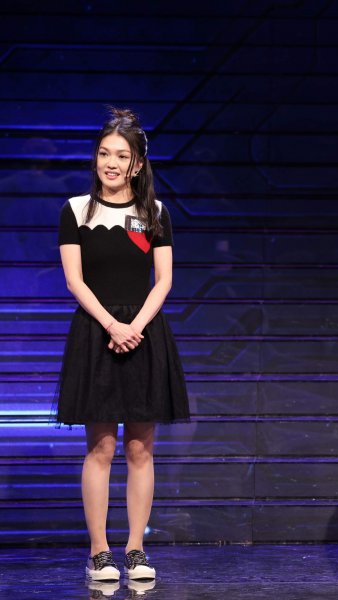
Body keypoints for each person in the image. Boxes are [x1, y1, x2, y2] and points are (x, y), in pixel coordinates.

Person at [55, 108, 189, 583]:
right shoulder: (76, 210)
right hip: (97, 333)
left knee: (140, 448)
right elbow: (74, 280)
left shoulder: (155, 213)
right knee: (101, 447)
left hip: (144, 335)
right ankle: (99, 552)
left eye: (121, 156)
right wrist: (113, 325)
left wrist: (135, 327)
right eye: (103, 153)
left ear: (137, 164)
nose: (110, 163)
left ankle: (135, 549)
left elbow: (164, 280)